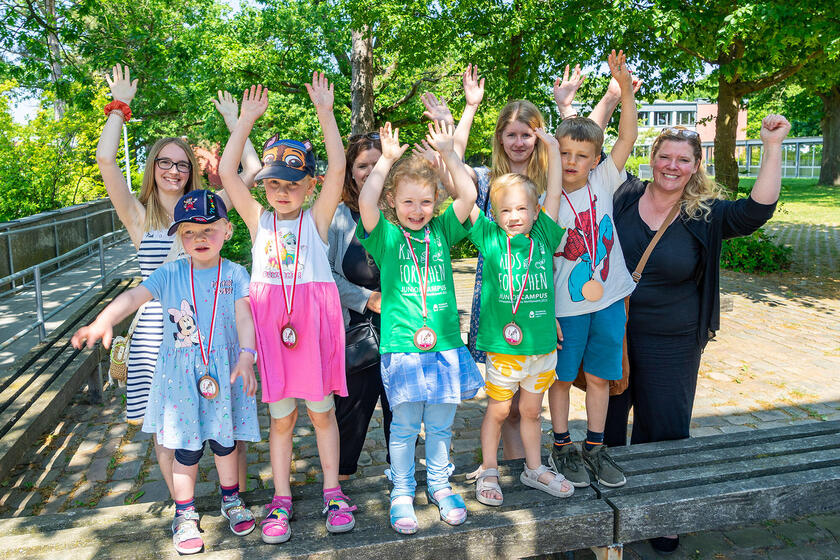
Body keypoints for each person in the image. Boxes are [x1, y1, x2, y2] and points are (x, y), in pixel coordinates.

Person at [604, 114, 791, 553]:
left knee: (664, 426)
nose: (672, 166)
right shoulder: (625, 195)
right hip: (614, 330)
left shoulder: (703, 211)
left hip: (674, 338)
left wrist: (772, 146)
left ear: (696, 165)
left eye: (682, 160)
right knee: (608, 424)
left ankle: (663, 513)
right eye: (664, 156)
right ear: (651, 159)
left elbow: (755, 211)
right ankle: (609, 510)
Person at [95, 65, 260, 496]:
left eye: (182, 164)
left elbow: (252, 172)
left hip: (212, 327)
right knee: (166, 432)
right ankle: (182, 509)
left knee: (231, 427)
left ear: (191, 170)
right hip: (157, 334)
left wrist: (235, 125)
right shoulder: (138, 214)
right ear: (154, 166)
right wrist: (119, 108)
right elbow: (106, 161)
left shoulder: (208, 205)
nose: (173, 170)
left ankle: (234, 501)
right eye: (164, 162)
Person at [71, 190, 260, 555]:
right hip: (181, 379)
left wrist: (248, 355)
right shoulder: (169, 273)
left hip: (224, 371)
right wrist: (103, 321)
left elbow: (243, 316)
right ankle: (185, 513)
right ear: (178, 237)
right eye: (188, 232)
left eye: (208, 229)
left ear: (226, 229)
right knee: (185, 449)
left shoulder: (236, 273)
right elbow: (132, 298)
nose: (199, 238)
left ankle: (231, 499)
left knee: (225, 443)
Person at [218, 74, 354, 543]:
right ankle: (281, 499)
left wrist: (325, 111)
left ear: (309, 186)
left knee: (320, 414)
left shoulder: (317, 220)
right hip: (272, 328)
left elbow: (338, 167)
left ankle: (333, 492)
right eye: (273, 183)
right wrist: (245, 122)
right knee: (281, 419)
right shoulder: (258, 222)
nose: (281, 190)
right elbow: (228, 171)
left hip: (310, 326)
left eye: (292, 183)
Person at [356, 122, 483, 534]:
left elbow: (468, 194)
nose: (417, 210)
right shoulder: (388, 237)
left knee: (442, 425)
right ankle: (402, 490)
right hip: (403, 347)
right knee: (405, 425)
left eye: (426, 202)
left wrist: (448, 153)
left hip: (444, 345)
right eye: (408, 201)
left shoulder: (443, 231)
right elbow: (366, 204)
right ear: (394, 201)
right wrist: (387, 160)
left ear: (435, 202)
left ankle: (441, 485)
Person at [466, 130, 573, 506]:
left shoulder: (543, 235)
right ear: (495, 215)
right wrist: (449, 154)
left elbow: (556, 191)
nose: (514, 216)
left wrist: (554, 151)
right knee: (498, 410)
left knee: (531, 411)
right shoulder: (490, 238)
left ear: (536, 211)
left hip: (542, 350)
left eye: (522, 209)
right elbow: (463, 201)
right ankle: (490, 469)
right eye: (506, 210)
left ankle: (533, 467)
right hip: (504, 351)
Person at [547, 50, 638, 490]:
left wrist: (623, 93)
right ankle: (562, 446)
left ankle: (596, 448)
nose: (571, 162)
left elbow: (627, 138)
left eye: (582, 155)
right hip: (566, 305)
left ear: (595, 159)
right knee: (562, 377)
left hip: (610, 295)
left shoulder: (604, 180)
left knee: (602, 375)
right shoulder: (544, 196)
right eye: (564, 153)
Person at [328, 132, 392, 480]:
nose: (369, 171)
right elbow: (326, 274)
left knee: (402, 412)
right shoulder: (339, 217)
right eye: (362, 165)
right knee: (349, 417)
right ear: (351, 172)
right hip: (357, 331)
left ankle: (404, 477)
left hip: (403, 330)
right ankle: (338, 487)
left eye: (377, 163)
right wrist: (366, 298)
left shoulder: (402, 209)